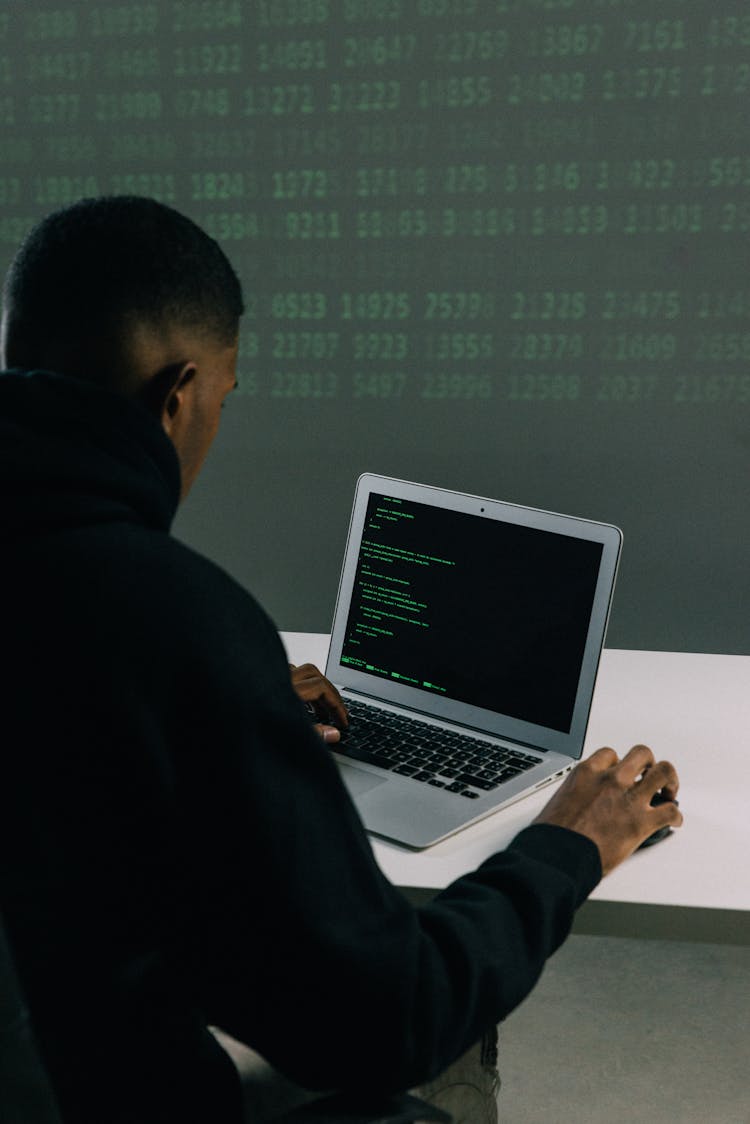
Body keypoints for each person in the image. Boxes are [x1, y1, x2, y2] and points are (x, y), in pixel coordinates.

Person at [0, 197, 682, 1124]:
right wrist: (565, 848)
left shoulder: (139, 639)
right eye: (223, 402)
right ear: (177, 395)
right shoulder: (177, 623)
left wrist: (224, 713)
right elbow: (384, 1018)